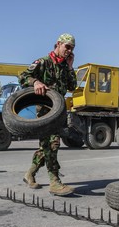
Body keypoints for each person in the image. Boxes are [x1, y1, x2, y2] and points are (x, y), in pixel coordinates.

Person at [19, 33, 77, 196]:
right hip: (45, 110)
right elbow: (23, 76)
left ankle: (29, 173)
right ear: (58, 44)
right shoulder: (43, 62)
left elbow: (72, 87)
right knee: (53, 143)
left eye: (71, 48)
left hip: (59, 111)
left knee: (45, 146)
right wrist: (36, 82)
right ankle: (55, 182)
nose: (69, 50)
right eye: (67, 46)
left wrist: (71, 67)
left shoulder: (66, 66)